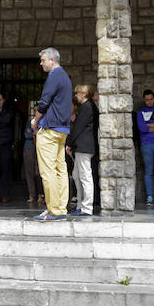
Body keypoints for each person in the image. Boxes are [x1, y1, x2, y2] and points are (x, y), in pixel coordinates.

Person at [31, 46, 72, 221]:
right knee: (60, 169)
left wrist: (35, 120)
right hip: (62, 130)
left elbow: (44, 102)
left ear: (52, 60)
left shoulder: (54, 76)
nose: (41, 64)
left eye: (43, 60)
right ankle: (61, 208)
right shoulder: (65, 77)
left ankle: (54, 210)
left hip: (50, 130)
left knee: (47, 171)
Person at [67, 84, 98, 216]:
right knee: (77, 176)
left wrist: (69, 144)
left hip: (83, 147)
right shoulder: (89, 106)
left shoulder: (86, 107)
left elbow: (78, 127)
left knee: (85, 177)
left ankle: (86, 207)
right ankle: (80, 204)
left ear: (84, 94)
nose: (76, 95)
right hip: (82, 147)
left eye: (77, 93)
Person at [23, 116, 44, 205]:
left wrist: (34, 132)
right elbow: (26, 134)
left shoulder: (44, 121)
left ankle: (41, 194)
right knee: (29, 171)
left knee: (38, 172)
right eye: (35, 110)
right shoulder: (30, 122)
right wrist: (35, 133)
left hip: (41, 146)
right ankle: (31, 195)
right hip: (29, 146)